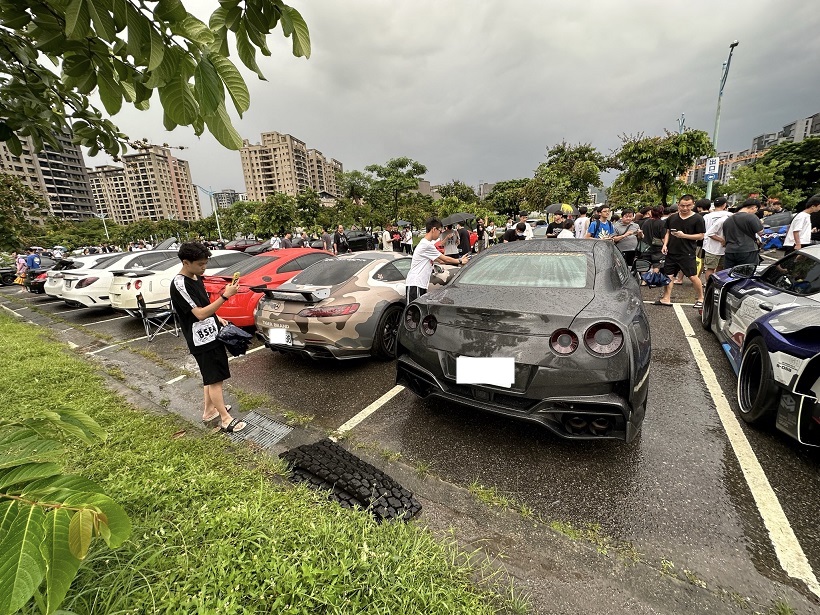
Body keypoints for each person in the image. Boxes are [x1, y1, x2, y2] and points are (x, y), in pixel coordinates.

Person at [170, 242, 246, 433]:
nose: (204, 267)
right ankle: (225, 419)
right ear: (186, 262)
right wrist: (225, 296)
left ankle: (209, 411)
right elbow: (199, 314)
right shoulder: (179, 283)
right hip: (201, 339)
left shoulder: (196, 277)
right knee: (215, 379)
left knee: (210, 377)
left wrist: (217, 317)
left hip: (211, 333)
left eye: (206, 263)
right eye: (200, 264)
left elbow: (203, 306)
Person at [655, 195, 705, 309]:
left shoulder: (697, 218)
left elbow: (701, 236)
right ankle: (666, 298)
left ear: (693, 205)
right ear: (678, 205)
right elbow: (667, 232)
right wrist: (665, 244)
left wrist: (684, 236)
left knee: (692, 276)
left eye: (688, 205)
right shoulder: (672, 218)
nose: (685, 208)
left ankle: (701, 298)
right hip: (671, 252)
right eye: (682, 205)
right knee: (669, 276)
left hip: (687, 252)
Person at [405, 217, 469, 303]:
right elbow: (444, 258)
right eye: (440, 231)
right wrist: (460, 261)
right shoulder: (426, 245)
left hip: (421, 284)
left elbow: (441, 261)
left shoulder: (427, 244)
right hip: (415, 283)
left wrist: (459, 260)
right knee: (413, 313)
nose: (440, 233)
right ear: (434, 229)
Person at [721, 198, 764, 268]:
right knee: (746, 274)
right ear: (754, 207)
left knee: (729, 275)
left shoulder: (727, 220)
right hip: (747, 250)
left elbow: (725, 236)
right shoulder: (751, 217)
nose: (755, 212)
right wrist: (760, 223)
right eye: (756, 210)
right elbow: (760, 232)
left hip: (730, 251)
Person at [702, 197, 731, 278]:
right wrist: (722, 240)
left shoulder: (707, 216)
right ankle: (717, 285)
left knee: (710, 268)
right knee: (721, 269)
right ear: (725, 205)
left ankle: (708, 285)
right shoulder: (729, 215)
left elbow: (705, 231)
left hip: (710, 247)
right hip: (725, 247)